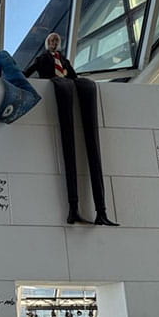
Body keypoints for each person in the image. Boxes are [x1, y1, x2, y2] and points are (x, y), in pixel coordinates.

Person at [24, 32, 118, 226]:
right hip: (57, 85)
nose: (54, 43)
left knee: (85, 87)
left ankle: (101, 210)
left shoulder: (64, 60)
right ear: (46, 43)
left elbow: (73, 75)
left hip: (67, 84)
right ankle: (73, 208)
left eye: (56, 41)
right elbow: (29, 71)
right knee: (69, 143)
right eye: (51, 41)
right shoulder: (42, 59)